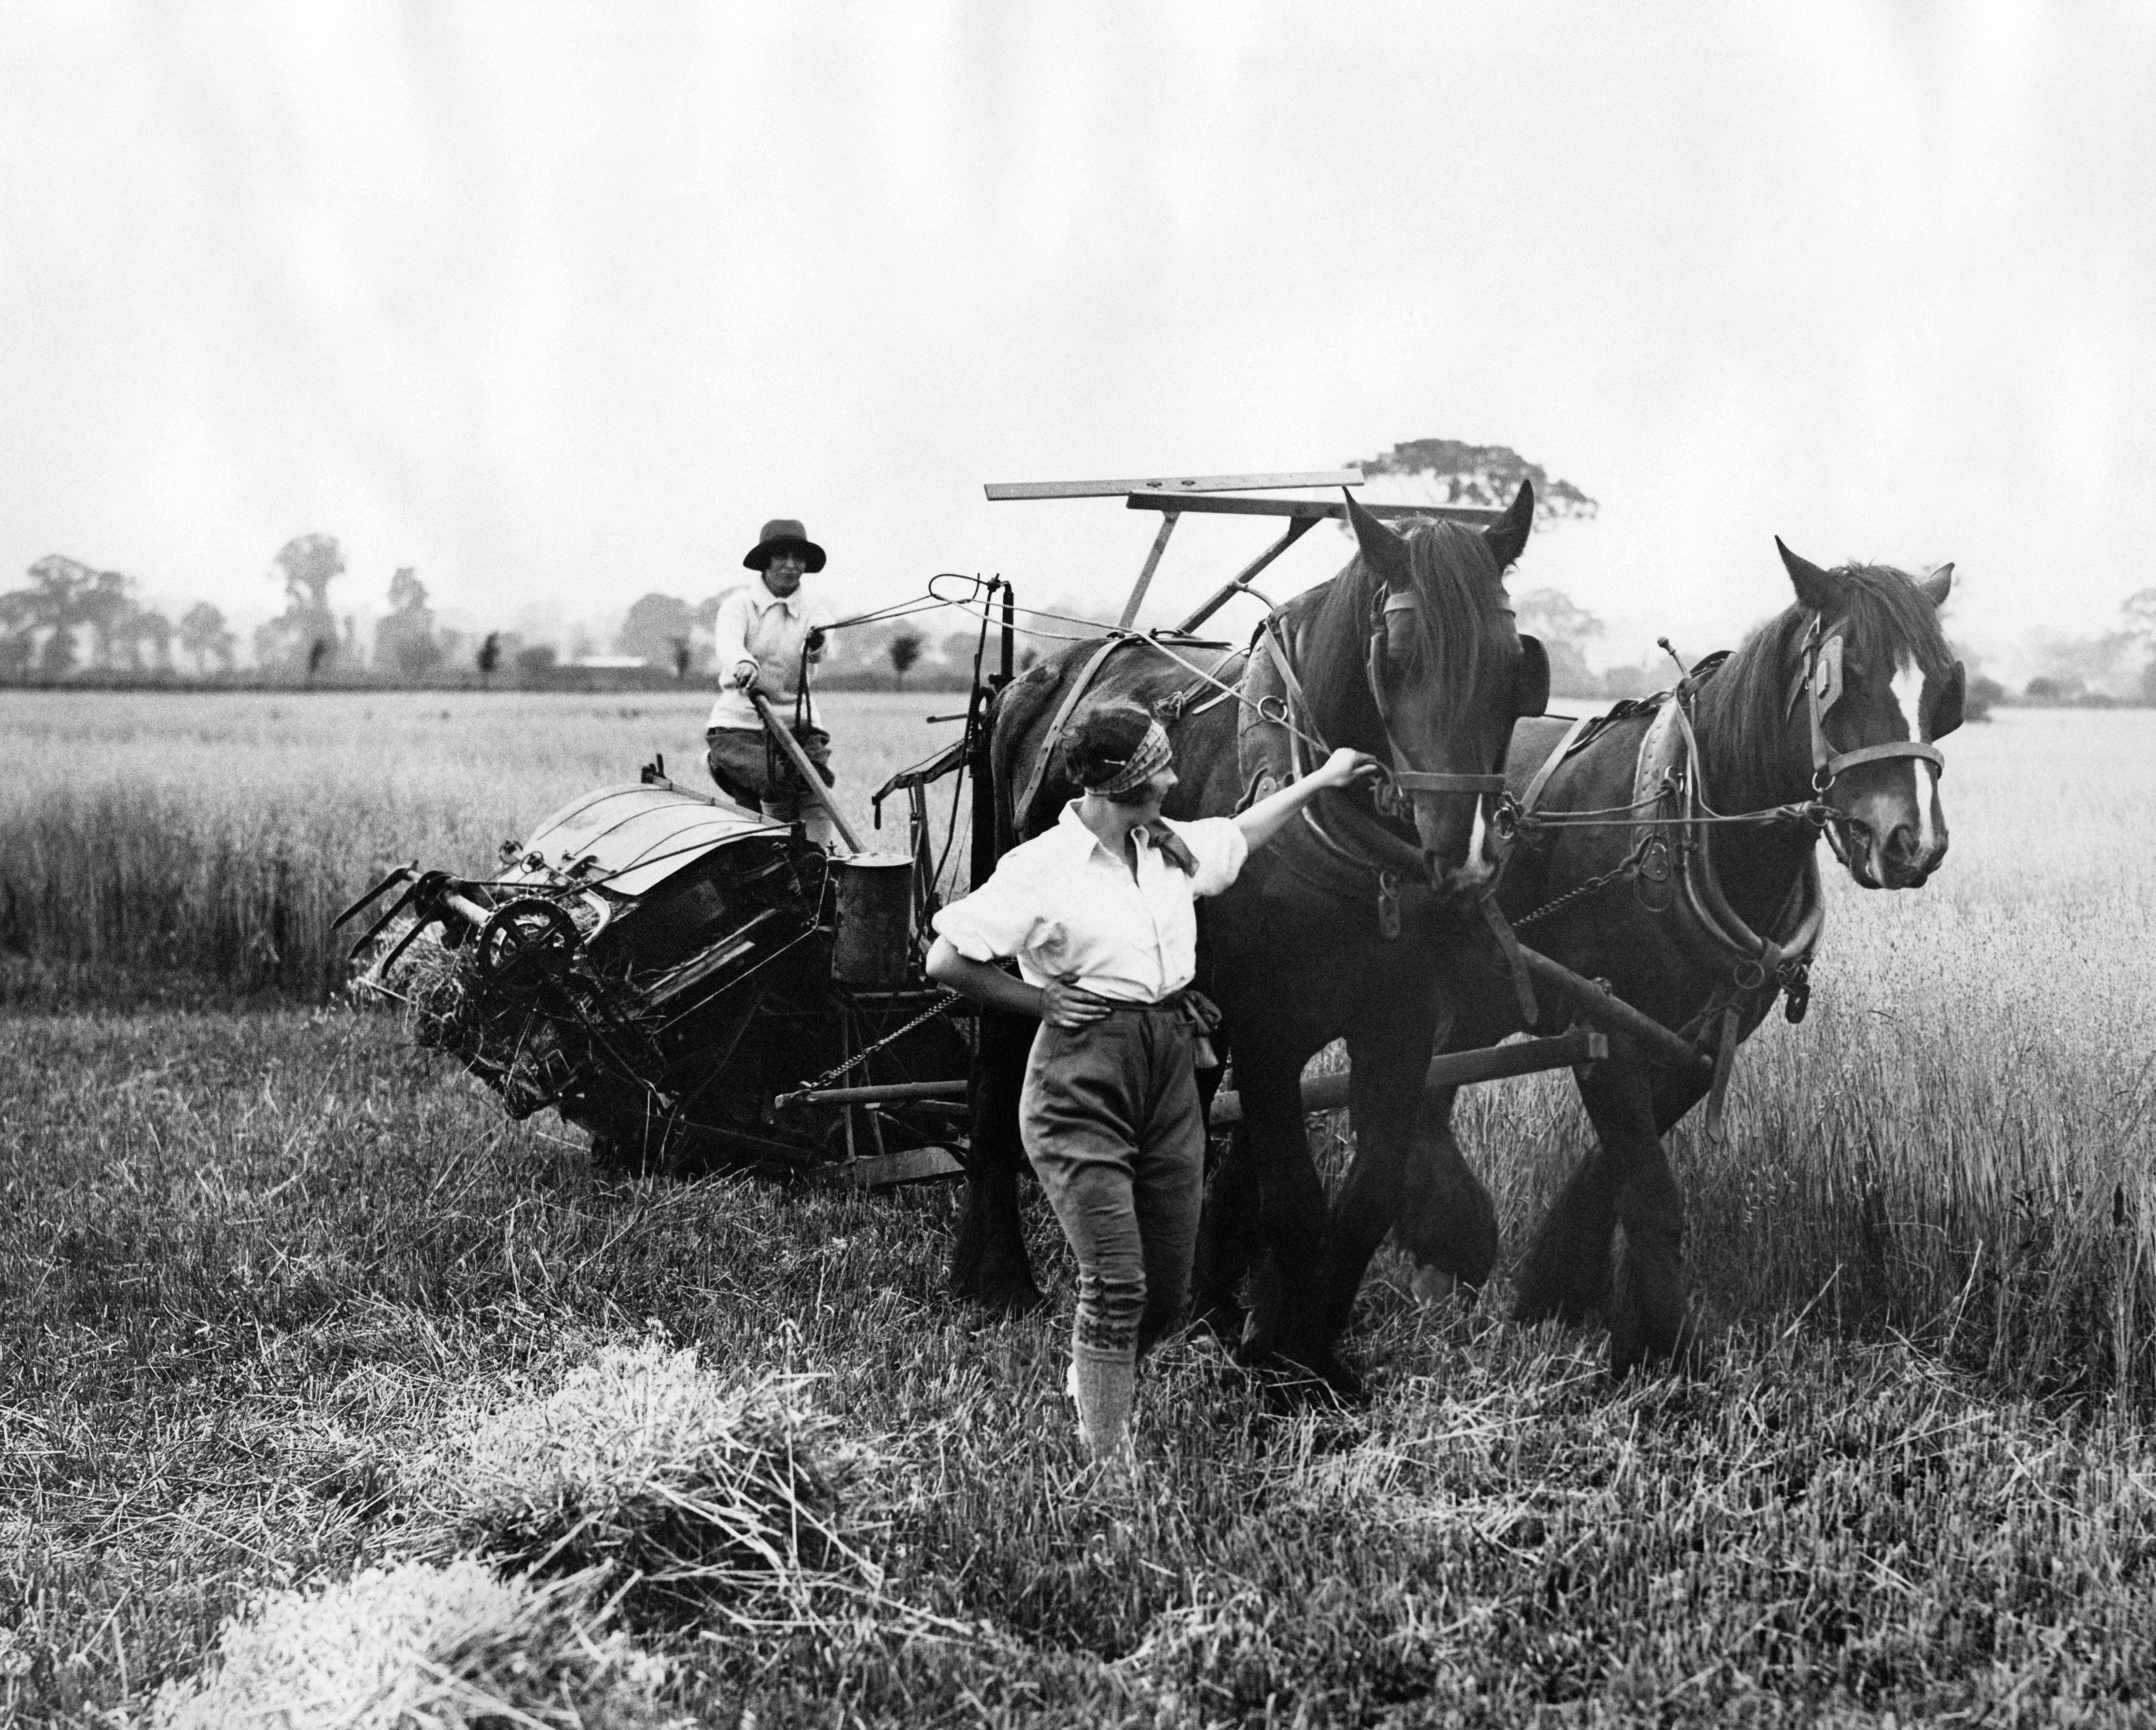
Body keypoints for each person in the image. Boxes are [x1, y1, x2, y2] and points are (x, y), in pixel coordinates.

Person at [925, 703, 1378, 1473]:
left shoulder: (1164, 846)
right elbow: (947, 959)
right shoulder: (1042, 869)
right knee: (1117, 1279)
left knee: (1166, 1290)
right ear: (1121, 783)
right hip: (1082, 1077)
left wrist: (1326, 778)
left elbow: (1240, 834)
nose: (1174, 777)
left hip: (1170, 1071)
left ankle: (1092, 1371)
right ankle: (1106, 1464)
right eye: (1160, 768)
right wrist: (1041, 1002)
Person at [705, 517, 840, 848]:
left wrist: (819, 639)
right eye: (781, 557)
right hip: (740, 727)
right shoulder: (739, 607)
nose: (791, 566)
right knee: (776, 780)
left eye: (799, 559)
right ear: (765, 562)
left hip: (800, 725)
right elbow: (729, 646)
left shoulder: (815, 612)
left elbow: (823, 647)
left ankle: (820, 868)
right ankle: (784, 860)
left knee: (817, 784)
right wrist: (744, 664)